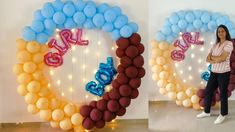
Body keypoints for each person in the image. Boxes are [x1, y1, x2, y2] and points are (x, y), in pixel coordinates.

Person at [196, 25, 233, 124]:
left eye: (222, 31)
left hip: (224, 73)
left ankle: (223, 114)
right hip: (214, 72)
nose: (220, 33)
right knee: (208, 91)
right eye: (219, 31)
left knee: (223, 94)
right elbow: (207, 58)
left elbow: (223, 58)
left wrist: (214, 59)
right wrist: (217, 59)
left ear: (226, 32)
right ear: (217, 33)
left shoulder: (229, 43)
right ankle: (206, 111)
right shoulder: (215, 45)